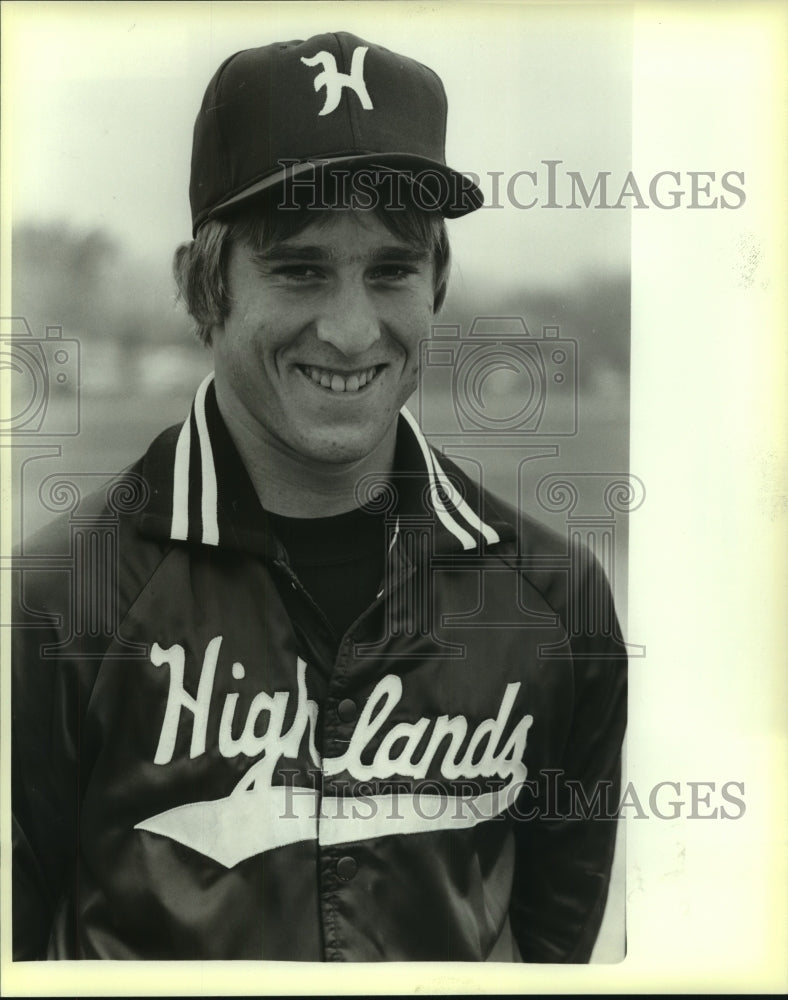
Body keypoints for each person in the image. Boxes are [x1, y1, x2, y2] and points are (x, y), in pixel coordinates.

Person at [11, 31, 627, 962]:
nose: (349, 329)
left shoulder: (556, 599)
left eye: (391, 270)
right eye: (299, 268)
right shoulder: (55, 602)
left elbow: (553, 956)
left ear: (440, 283)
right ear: (203, 285)